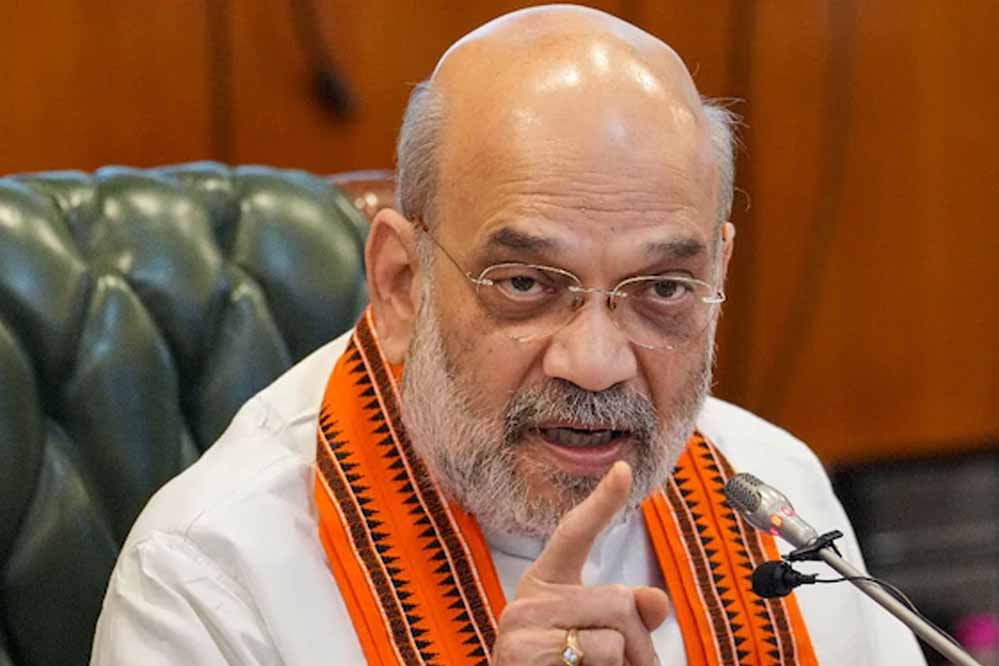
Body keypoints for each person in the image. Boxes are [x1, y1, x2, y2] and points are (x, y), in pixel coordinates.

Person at [91, 5, 927, 665]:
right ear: (401, 284)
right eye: (525, 285)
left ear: (718, 275)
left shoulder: (775, 494)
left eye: (662, 290)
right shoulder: (209, 575)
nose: (595, 365)